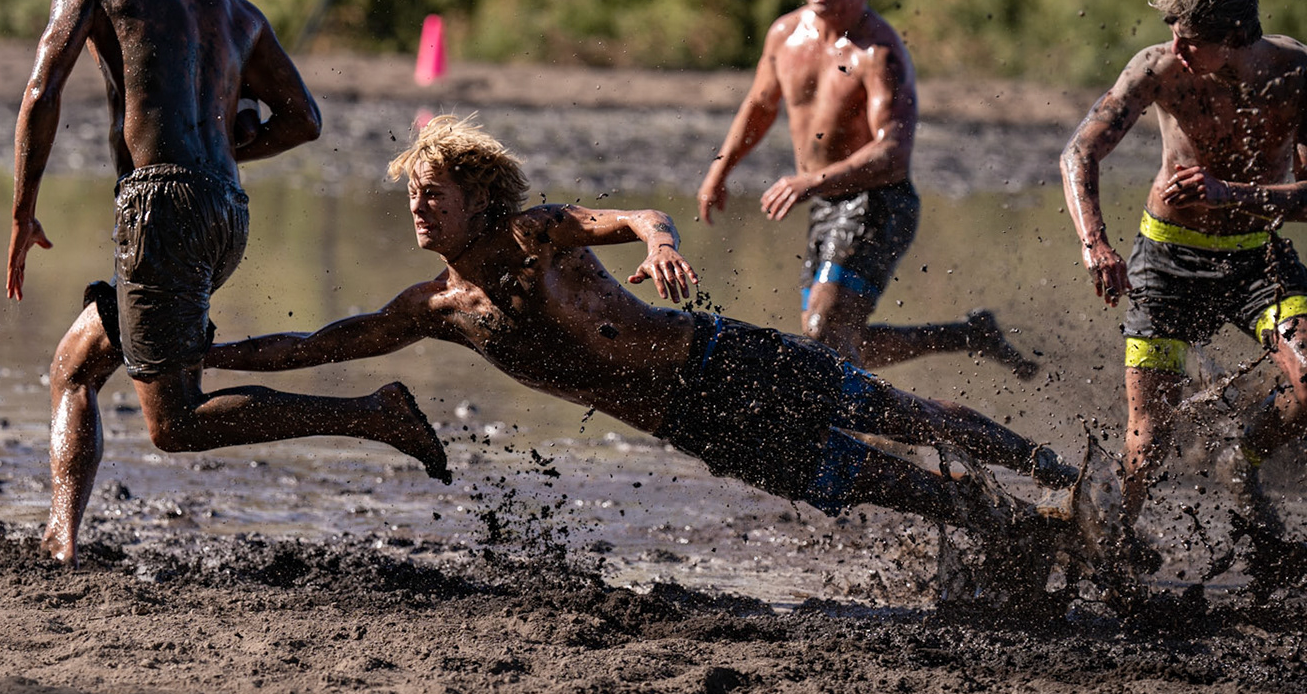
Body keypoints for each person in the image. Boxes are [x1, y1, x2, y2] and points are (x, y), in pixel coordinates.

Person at [208, 116, 1081, 537]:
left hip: (725, 359)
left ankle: (1060, 474)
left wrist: (661, 246)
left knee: (904, 415)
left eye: (433, 194)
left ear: (479, 198)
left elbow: (636, 216)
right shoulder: (436, 309)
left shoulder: (539, 234)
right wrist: (205, 351)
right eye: (412, 196)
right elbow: (320, 345)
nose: (418, 209)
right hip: (691, 421)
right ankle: (1030, 534)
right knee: (889, 485)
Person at [6, 0, 448, 562]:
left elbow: (40, 94)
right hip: (225, 210)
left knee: (175, 422)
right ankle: (62, 536)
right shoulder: (234, 7)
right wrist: (224, 149)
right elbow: (303, 120)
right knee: (76, 366)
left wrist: (23, 211)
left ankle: (374, 414)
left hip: (159, 208)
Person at [697, 0, 1037, 377]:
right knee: (833, 340)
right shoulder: (784, 34)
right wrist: (719, 171)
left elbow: (892, 153)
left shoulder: (878, 53)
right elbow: (759, 106)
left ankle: (872, 420)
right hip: (825, 203)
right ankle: (965, 336)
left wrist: (809, 181)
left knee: (822, 332)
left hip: (879, 202)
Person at [1061, 0, 1307, 540]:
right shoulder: (1158, 67)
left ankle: (1241, 454)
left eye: (1190, 39)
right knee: (1149, 438)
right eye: (1172, 32)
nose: (1176, 47)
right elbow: (1079, 152)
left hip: (1258, 258)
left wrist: (1231, 193)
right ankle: (1108, 549)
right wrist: (1096, 245)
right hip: (1167, 261)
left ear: (1234, 36)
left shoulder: (1295, 74)